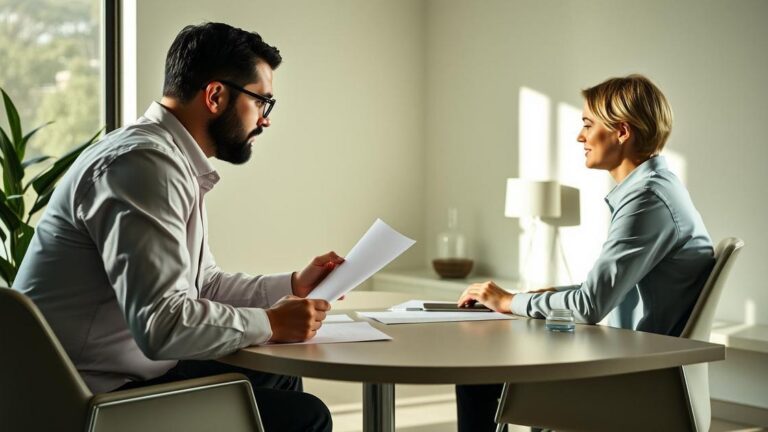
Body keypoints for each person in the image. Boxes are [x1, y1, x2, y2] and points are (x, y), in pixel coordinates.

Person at [13, 22, 340, 432]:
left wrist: (292, 286)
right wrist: (272, 323)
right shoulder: (145, 167)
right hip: (88, 401)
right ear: (216, 96)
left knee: (279, 375)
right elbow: (162, 324)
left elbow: (203, 286)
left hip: (113, 376)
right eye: (262, 102)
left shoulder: (166, 159)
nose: (265, 120)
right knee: (307, 417)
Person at [454, 74, 715, 432]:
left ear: (622, 132)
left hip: (638, 377)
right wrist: (547, 296)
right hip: (642, 361)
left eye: (588, 125)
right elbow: (610, 290)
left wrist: (508, 301)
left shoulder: (646, 200)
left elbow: (590, 307)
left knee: (478, 373)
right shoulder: (656, 189)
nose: (580, 137)